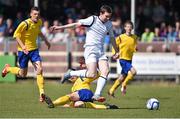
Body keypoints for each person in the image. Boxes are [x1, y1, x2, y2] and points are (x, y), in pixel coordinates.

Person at [50, 5, 119, 100]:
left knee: (105, 71)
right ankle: (71, 73)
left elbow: (112, 38)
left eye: (109, 16)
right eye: (106, 16)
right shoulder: (92, 20)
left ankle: (97, 94)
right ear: (101, 13)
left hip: (100, 51)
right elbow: (75, 25)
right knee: (92, 74)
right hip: (90, 50)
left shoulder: (109, 24)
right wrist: (59, 27)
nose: (108, 18)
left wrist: (116, 50)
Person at [1, 7, 51, 102]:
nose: (37, 16)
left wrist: (46, 41)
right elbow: (16, 35)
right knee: (23, 74)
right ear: (31, 14)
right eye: (35, 14)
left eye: (38, 14)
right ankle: (8, 69)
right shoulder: (25, 23)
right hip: (23, 51)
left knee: (40, 69)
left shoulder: (39, 22)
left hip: (34, 51)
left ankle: (42, 93)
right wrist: (23, 47)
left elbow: (38, 32)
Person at [43, 59, 118, 109]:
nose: (71, 77)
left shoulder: (82, 78)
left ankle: (53, 103)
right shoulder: (73, 87)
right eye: (70, 76)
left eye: (72, 75)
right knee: (77, 104)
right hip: (84, 96)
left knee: (70, 96)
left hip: (84, 92)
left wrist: (90, 66)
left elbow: (98, 73)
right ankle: (106, 107)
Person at [108, 21, 138, 97]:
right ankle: (124, 85)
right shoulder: (121, 37)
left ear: (132, 28)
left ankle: (111, 90)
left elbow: (134, 47)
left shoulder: (135, 37)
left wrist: (135, 49)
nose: (129, 28)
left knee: (122, 77)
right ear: (125, 28)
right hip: (122, 59)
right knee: (133, 72)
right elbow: (114, 45)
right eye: (127, 26)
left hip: (129, 59)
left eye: (130, 27)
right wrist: (115, 53)